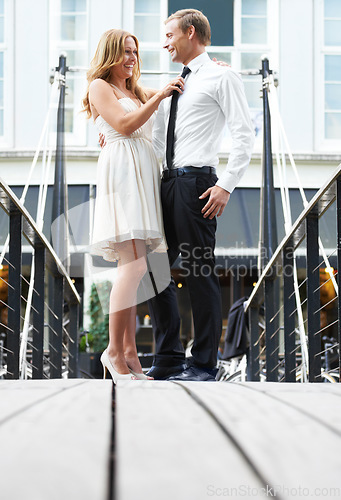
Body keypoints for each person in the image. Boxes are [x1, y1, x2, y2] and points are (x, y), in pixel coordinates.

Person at [146, 9, 255, 381]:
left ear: (189, 32)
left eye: (169, 35)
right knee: (152, 268)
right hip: (167, 184)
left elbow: (244, 136)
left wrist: (225, 184)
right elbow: (159, 139)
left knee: (198, 271)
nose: (165, 43)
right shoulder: (176, 83)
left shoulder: (222, 76)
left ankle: (205, 363)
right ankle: (169, 357)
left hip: (197, 186)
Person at [82, 29, 185, 383]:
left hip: (141, 176)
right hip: (124, 175)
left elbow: (147, 126)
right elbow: (125, 125)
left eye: (135, 52)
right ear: (111, 53)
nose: (131, 58)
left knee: (136, 268)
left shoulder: (133, 91)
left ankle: (128, 354)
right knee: (135, 268)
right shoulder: (100, 86)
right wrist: (158, 97)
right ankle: (113, 351)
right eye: (125, 51)